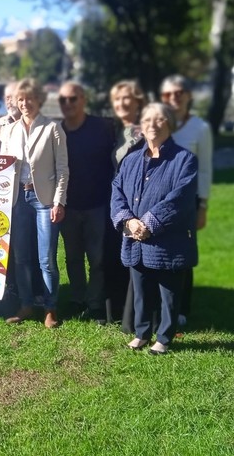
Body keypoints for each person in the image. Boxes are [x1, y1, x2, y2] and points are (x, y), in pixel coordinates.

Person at [111, 103, 198, 354]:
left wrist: (148, 223)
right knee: (140, 290)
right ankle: (141, 333)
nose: (152, 124)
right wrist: (128, 221)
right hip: (135, 238)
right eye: (147, 119)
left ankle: (164, 338)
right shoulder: (131, 160)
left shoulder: (184, 160)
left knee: (169, 293)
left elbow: (179, 199)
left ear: (169, 124)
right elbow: (117, 192)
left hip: (168, 242)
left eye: (159, 119)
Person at [0, 78, 68, 328]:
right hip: (18, 199)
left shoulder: (53, 129)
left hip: (45, 200)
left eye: (29, 98)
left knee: (46, 258)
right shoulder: (10, 130)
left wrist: (59, 202)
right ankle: (27, 304)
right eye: (20, 99)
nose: (25, 103)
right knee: (21, 257)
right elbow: (3, 167)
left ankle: (50, 308)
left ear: (39, 100)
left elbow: (62, 169)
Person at [58, 82, 115, 324]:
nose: (68, 104)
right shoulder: (57, 131)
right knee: (72, 258)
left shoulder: (103, 127)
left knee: (98, 258)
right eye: (63, 100)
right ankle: (78, 299)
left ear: (83, 99)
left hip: (98, 204)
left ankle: (96, 303)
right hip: (69, 206)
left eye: (73, 99)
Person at [160, 75, 213, 326]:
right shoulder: (158, 124)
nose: (173, 98)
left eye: (178, 93)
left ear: (188, 96)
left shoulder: (199, 129)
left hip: (186, 203)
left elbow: (204, 170)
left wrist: (202, 205)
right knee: (158, 255)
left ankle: (181, 310)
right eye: (168, 94)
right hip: (156, 202)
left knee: (182, 254)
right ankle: (160, 306)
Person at [108, 80, 147, 331]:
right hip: (116, 202)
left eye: (126, 98)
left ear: (137, 101)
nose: (121, 103)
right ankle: (118, 309)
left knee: (135, 259)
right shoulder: (115, 130)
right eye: (117, 99)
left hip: (138, 204)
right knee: (116, 256)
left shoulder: (145, 131)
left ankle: (136, 319)